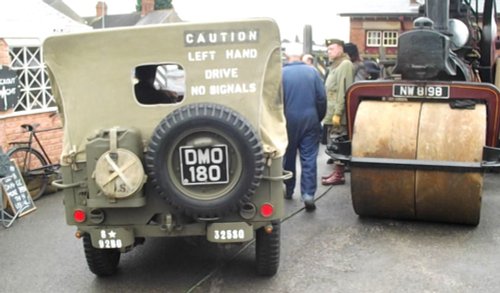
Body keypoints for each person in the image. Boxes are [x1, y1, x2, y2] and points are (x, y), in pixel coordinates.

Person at [282, 43, 327, 211]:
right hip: (310, 119)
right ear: (301, 55)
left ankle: (288, 188)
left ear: (287, 56)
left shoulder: (281, 74)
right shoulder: (312, 72)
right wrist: (318, 117)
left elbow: (275, 101)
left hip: (287, 120)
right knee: (309, 158)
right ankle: (308, 194)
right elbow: (322, 98)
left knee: (289, 156)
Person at [321, 39, 354, 186]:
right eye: (328, 49)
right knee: (333, 144)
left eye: (332, 49)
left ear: (340, 50)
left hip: (338, 113)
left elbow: (343, 91)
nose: (329, 52)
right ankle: (336, 171)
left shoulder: (344, 65)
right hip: (331, 111)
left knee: (338, 143)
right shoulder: (335, 65)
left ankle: (339, 174)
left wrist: (338, 113)